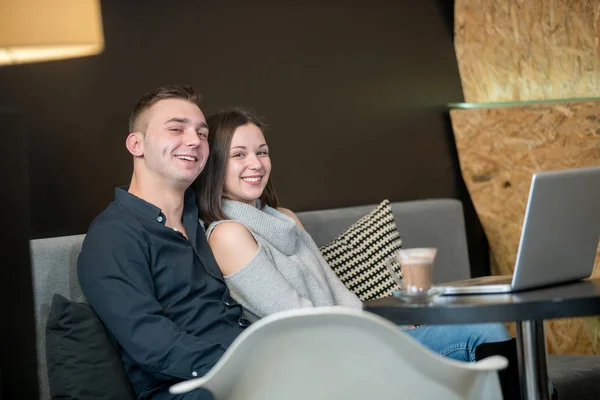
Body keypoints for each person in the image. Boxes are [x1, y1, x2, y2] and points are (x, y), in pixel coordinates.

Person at [196, 107, 528, 399]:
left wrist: (390, 324)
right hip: (325, 362)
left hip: (359, 342)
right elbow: (296, 319)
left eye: (262, 152)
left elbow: (336, 289)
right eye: (239, 155)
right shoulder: (228, 234)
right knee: (482, 332)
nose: (255, 163)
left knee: (487, 327)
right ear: (215, 165)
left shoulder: (284, 218)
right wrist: (382, 335)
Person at [77, 85, 247, 400]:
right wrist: (247, 367)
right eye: (176, 129)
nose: (195, 140)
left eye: (202, 133)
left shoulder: (208, 218)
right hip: (187, 388)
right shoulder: (113, 235)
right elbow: (151, 342)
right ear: (136, 144)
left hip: (248, 366)